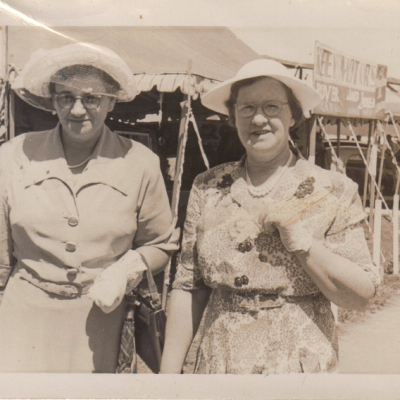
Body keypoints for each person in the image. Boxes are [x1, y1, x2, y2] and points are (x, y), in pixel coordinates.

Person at [160, 59, 381, 374]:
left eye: (272, 107)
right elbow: (188, 286)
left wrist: (302, 241)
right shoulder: (207, 187)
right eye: (247, 108)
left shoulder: (333, 190)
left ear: (293, 115)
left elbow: (361, 295)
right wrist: (167, 377)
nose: (259, 118)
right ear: (232, 115)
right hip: (220, 364)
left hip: (297, 365)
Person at [0, 42, 178, 372]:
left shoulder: (140, 163)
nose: (78, 109)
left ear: (111, 101)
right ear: (52, 100)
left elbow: (160, 244)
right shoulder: (13, 156)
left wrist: (126, 270)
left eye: (91, 98)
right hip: (21, 321)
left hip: (100, 323)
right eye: (66, 97)